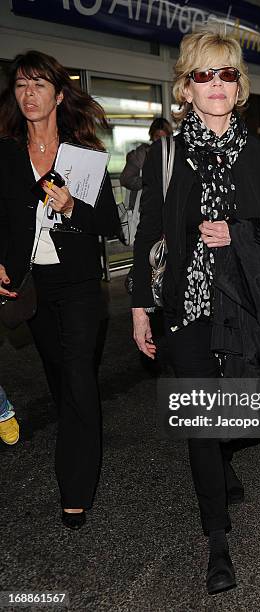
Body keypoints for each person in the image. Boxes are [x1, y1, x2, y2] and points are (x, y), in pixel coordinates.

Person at [131, 30, 260, 594]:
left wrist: (237, 233)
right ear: (185, 87)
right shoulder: (167, 154)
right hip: (187, 310)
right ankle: (217, 540)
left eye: (226, 74)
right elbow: (150, 234)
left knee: (240, 414)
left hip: (245, 312)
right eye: (203, 76)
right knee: (202, 425)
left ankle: (225, 453)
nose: (215, 85)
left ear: (240, 85)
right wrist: (140, 307)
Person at [0, 51, 121, 529]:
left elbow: (109, 223)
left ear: (58, 94)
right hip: (33, 285)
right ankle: (77, 451)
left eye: (38, 85)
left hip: (79, 287)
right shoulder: (6, 154)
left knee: (77, 380)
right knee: (59, 380)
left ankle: (75, 489)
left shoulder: (83, 155)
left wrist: (72, 206)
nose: (29, 95)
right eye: (21, 86)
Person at [120, 117, 172, 213]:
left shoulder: (174, 155)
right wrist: (147, 181)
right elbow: (125, 179)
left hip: (167, 210)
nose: (160, 142)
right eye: (157, 137)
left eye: (164, 138)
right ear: (152, 136)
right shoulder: (141, 155)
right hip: (144, 211)